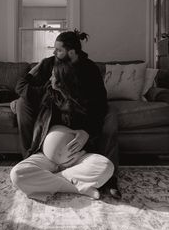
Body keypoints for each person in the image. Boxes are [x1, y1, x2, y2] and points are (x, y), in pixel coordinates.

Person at [13, 30, 121, 199]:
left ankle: (108, 180)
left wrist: (87, 131)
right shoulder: (49, 74)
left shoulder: (89, 70)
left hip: (77, 145)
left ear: (71, 52)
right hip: (47, 154)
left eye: (59, 50)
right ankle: (76, 185)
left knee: (106, 165)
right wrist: (31, 74)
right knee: (18, 173)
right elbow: (25, 90)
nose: (54, 53)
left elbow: (99, 103)